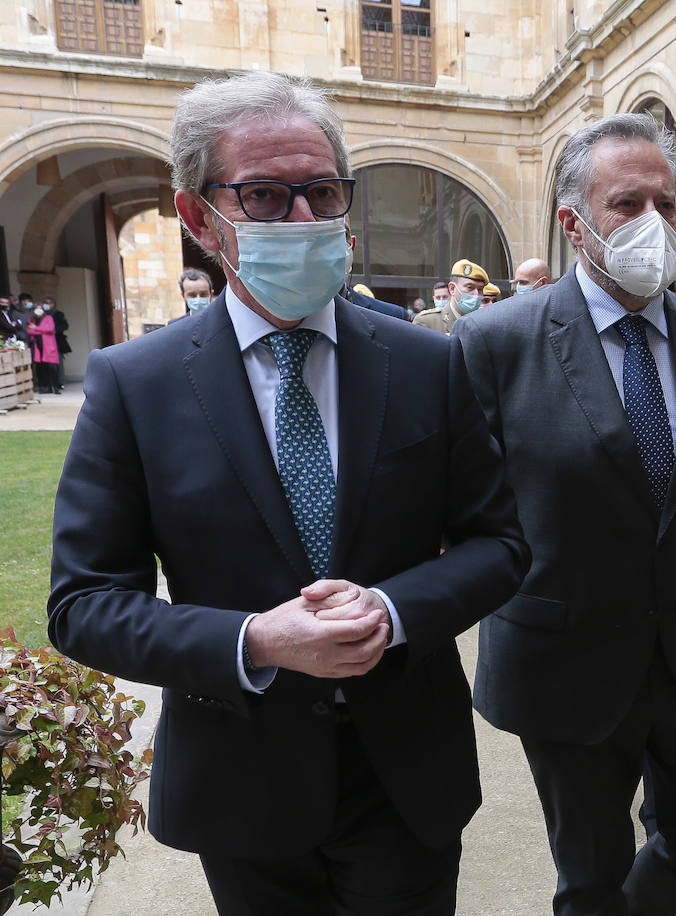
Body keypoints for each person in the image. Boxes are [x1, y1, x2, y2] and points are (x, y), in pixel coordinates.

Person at [46, 71, 530, 916]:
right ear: (199, 217)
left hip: (405, 770)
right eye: (266, 196)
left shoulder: (428, 363)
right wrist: (255, 641)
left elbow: (502, 544)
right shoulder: (136, 384)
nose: (306, 220)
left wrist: (393, 607)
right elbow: (84, 603)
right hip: (243, 779)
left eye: (323, 192)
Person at [455, 111, 676, 916]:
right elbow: (469, 508)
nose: (652, 222)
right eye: (628, 204)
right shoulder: (495, 342)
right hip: (568, 658)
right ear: (573, 222)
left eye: (666, 203)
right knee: (588, 875)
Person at [414, 260, 485, 334]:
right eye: (470, 287)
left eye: (480, 289)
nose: (476, 294)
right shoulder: (426, 322)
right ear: (452, 289)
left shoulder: (483, 323)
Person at [26, 301, 59, 393]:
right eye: (37, 308)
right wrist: (41, 330)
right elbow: (29, 331)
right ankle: (45, 387)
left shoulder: (49, 318)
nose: (38, 310)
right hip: (38, 346)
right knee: (41, 368)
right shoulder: (32, 320)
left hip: (48, 346)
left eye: (40, 308)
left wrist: (36, 328)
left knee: (52, 367)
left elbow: (50, 329)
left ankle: (55, 387)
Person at [42, 296, 70, 390]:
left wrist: (54, 330)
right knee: (45, 363)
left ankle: (59, 382)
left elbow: (65, 326)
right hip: (44, 342)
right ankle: (48, 383)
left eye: (49, 303)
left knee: (58, 362)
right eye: (45, 303)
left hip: (56, 340)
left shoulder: (58, 314)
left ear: (53, 304)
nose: (47, 305)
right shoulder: (41, 314)